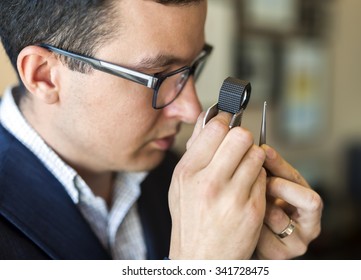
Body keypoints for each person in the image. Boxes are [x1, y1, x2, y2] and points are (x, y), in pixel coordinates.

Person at [0, 0, 323, 260]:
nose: (192, 109)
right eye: (157, 76)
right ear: (44, 75)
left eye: (191, 67)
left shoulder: (184, 178)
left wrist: (252, 261)